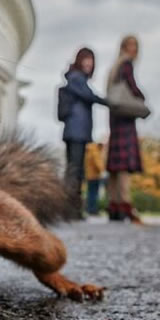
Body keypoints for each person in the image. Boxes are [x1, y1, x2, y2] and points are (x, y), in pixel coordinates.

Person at [61, 48, 108, 212]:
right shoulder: (76, 79)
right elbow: (89, 96)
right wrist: (109, 102)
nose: (89, 63)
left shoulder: (78, 79)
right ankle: (70, 207)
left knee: (76, 168)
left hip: (77, 131)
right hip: (76, 131)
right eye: (86, 59)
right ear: (80, 60)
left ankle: (71, 207)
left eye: (91, 60)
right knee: (75, 170)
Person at [106, 35, 145, 223]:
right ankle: (124, 204)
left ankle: (113, 205)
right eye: (132, 46)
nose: (134, 50)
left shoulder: (113, 69)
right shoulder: (126, 65)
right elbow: (133, 88)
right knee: (122, 167)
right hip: (125, 120)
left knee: (114, 168)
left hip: (115, 120)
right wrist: (141, 98)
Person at [84, 142, 105, 216]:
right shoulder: (95, 151)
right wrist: (103, 170)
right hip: (94, 176)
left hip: (89, 175)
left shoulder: (89, 150)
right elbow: (98, 163)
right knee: (94, 194)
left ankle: (89, 209)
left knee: (90, 193)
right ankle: (92, 210)